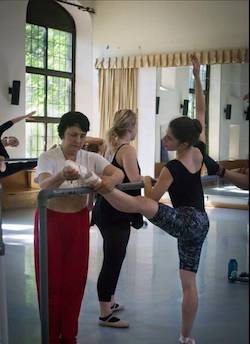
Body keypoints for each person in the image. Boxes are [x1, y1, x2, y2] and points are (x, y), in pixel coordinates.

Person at [91, 58, 209, 344]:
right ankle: (184, 336)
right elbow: (201, 113)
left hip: (175, 219)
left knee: (139, 214)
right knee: (188, 283)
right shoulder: (196, 151)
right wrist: (196, 75)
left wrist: (146, 182)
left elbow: (149, 197)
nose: (164, 139)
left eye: (168, 137)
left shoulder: (169, 166)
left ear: (181, 142)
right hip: (200, 223)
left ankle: (98, 187)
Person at [34, 111, 124, 344]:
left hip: (78, 221)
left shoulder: (89, 158)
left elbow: (119, 174)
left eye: (82, 135)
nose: (78, 140)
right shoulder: (48, 157)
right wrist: (61, 175)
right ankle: (52, 336)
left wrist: (101, 185)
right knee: (51, 280)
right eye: (73, 134)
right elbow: (43, 186)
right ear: (62, 134)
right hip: (50, 220)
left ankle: (69, 335)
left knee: (75, 280)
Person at [91, 109, 143, 328]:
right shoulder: (127, 150)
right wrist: (148, 180)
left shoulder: (111, 147)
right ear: (131, 128)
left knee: (114, 257)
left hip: (105, 209)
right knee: (113, 259)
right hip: (115, 211)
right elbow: (135, 180)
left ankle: (109, 301)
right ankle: (105, 314)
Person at [0, 111, 37, 178]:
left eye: (14, 144)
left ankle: (43, 158)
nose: (13, 143)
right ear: (9, 137)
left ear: (11, 147)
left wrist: (2, 163)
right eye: (14, 140)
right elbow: (11, 122)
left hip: (2, 165)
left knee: (22, 165)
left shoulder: (5, 156)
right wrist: (25, 116)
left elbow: (3, 170)